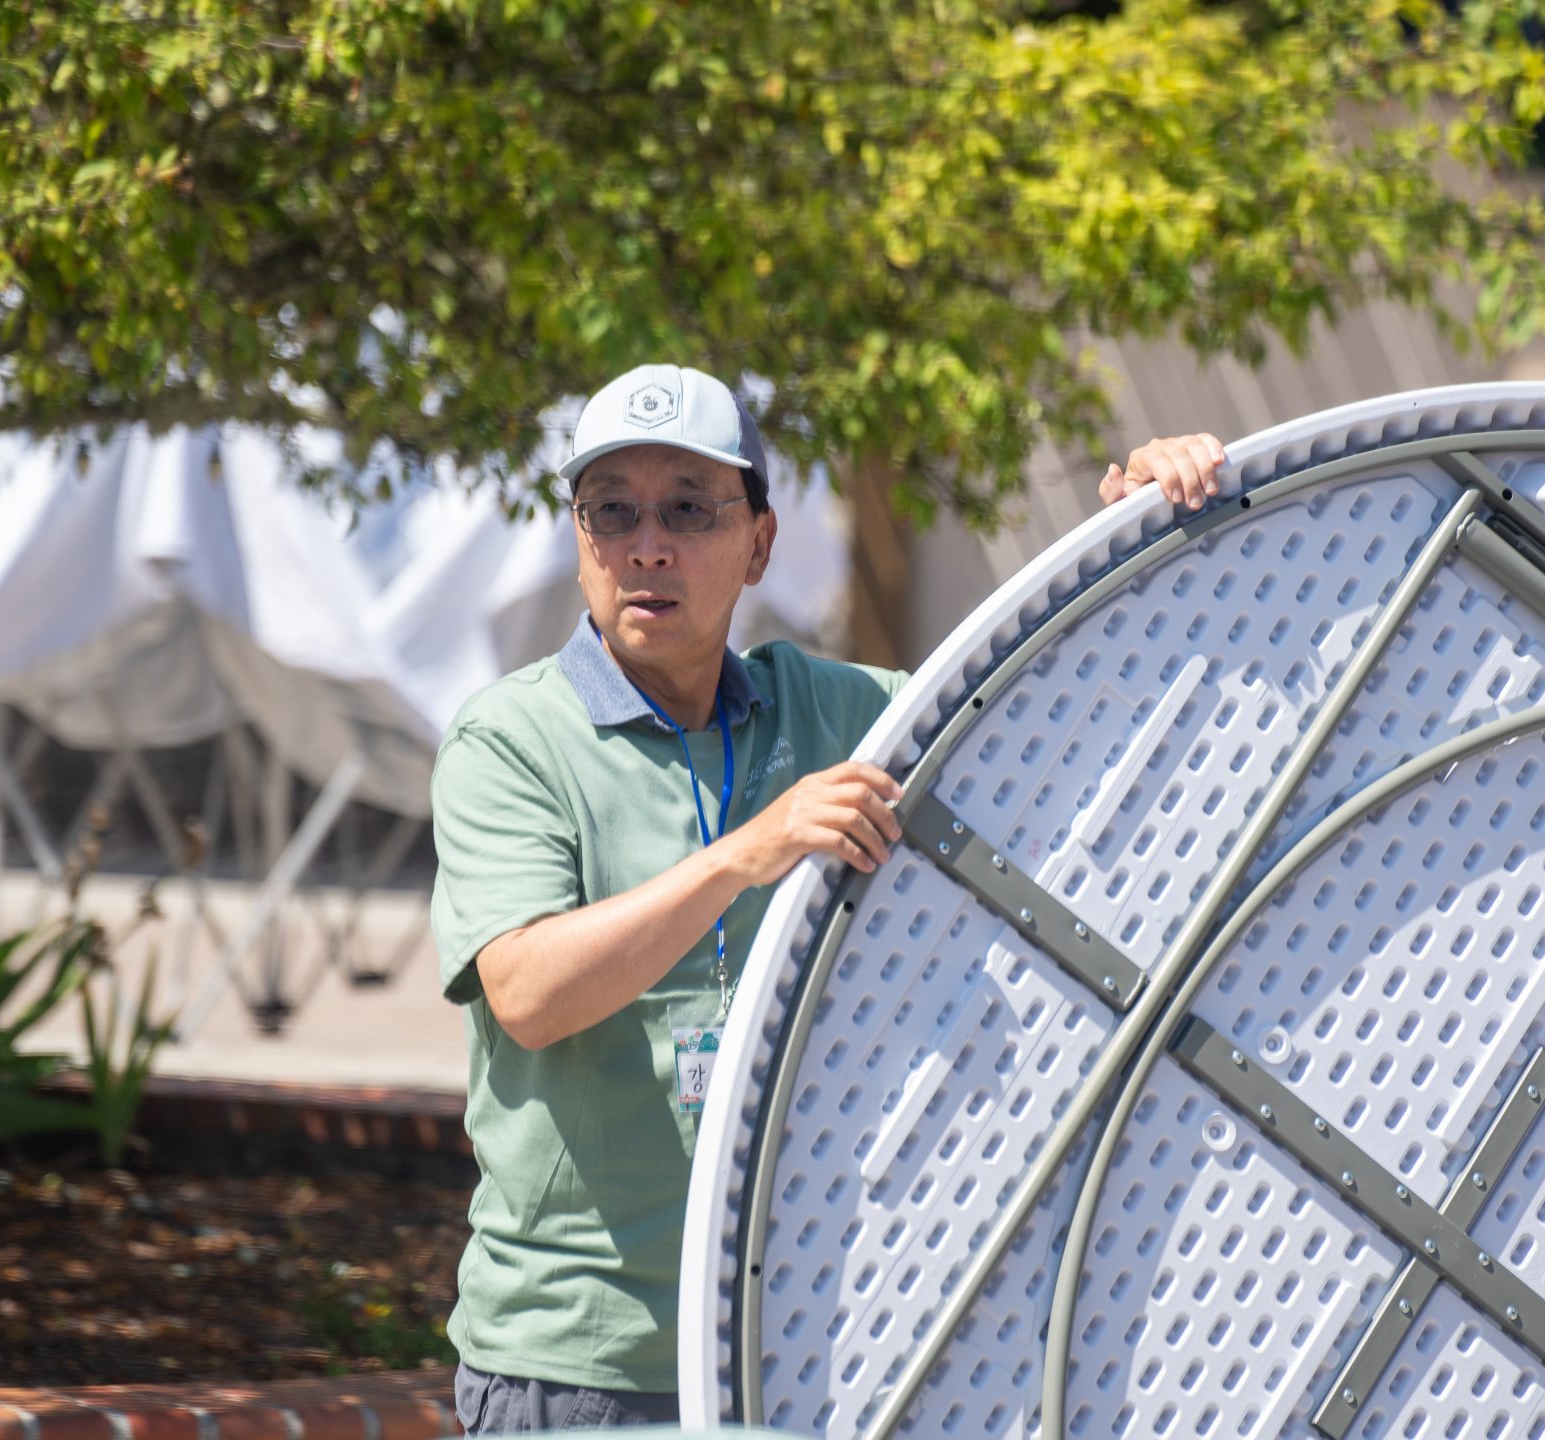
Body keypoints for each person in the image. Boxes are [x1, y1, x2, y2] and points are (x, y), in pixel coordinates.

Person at [430, 362, 1227, 1433]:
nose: (646, 546)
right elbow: (527, 993)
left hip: (796, 1347)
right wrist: (745, 855)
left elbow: (1045, 720)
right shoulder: (511, 739)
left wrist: (1136, 537)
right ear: (580, 544)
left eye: (688, 510)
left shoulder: (829, 712)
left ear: (758, 545)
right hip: (583, 1366)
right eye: (610, 512)